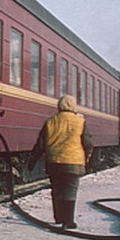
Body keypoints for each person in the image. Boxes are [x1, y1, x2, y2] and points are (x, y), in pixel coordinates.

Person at [28, 95, 93, 229]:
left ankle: (58, 218)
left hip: (54, 162)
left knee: (57, 190)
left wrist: (32, 162)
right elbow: (88, 143)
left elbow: (40, 145)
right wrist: (88, 156)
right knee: (70, 190)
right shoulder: (80, 122)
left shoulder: (50, 121)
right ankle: (68, 221)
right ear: (73, 106)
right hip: (73, 162)